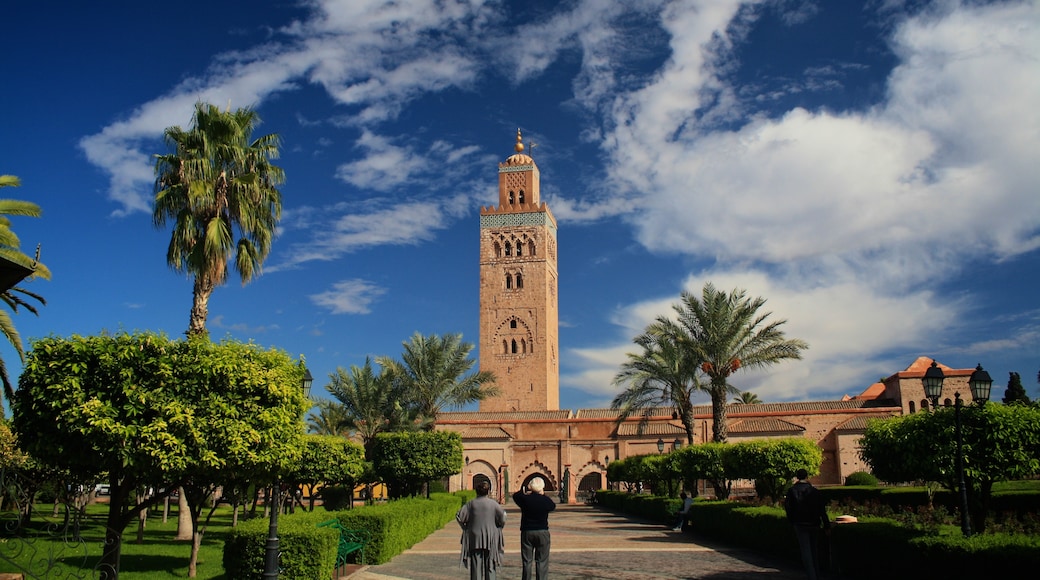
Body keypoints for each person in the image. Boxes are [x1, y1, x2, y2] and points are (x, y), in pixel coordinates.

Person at [784, 469, 831, 580]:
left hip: (800, 524)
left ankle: (812, 576)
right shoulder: (814, 491)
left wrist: (792, 521)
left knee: (806, 551)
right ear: (807, 476)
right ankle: (816, 574)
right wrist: (827, 525)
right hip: (814, 523)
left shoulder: (792, 491)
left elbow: (788, 508)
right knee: (814, 550)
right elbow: (821, 510)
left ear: (797, 477)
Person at [457, 480, 506, 580]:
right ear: (488, 491)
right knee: (491, 565)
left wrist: (465, 527)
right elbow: (503, 517)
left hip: (475, 537)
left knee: (475, 565)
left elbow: (459, 516)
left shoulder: (471, 504)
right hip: (491, 537)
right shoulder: (493, 504)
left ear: (476, 491)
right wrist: (499, 526)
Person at [512, 476, 556, 580]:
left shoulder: (525, 499)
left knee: (527, 561)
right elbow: (552, 506)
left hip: (527, 531)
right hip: (542, 532)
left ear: (531, 487)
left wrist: (526, 489)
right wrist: (542, 494)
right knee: (542, 561)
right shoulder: (545, 500)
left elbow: (516, 495)